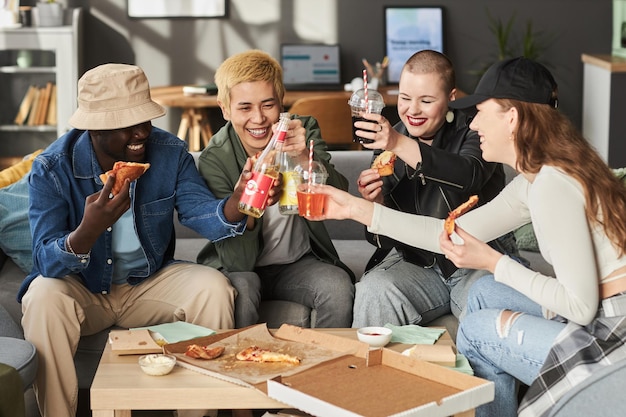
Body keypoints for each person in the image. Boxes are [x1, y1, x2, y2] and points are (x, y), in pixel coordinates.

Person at [304, 57, 626, 417]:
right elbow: (449, 233)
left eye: (480, 111)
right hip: (602, 311)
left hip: (613, 332)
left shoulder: (553, 184)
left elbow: (579, 307)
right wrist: (355, 209)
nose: (473, 123)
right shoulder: (535, 180)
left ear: (512, 118)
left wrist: (493, 261)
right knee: (486, 292)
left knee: (475, 329)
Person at [18, 63, 267, 417]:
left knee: (213, 286)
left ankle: (198, 412)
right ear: (95, 128)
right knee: (41, 296)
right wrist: (89, 230)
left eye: (145, 120)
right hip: (81, 287)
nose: (142, 133)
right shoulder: (52, 168)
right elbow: (46, 261)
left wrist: (238, 201)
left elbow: (201, 215)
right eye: (127, 125)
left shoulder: (170, 152)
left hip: (147, 282)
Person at [352, 49, 519, 328]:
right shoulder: (392, 138)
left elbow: (468, 176)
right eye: (405, 99)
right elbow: (383, 238)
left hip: (478, 261)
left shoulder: (477, 129)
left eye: (426, 100)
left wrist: (397, 143)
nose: (412, 110)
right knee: (374, 289)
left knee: (490, 305)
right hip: (419, 265)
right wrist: (377, 202)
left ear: (451, 98)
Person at [196, 50, 355, 329]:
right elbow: (237, 261)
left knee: (337, 287)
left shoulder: (302, 130)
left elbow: (341, 193)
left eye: (267, 105)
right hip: (241, 267)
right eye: (244, 108)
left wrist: (303, 158)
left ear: (281, 102)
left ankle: (324, 368)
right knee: (241, 290)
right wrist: (249, 205)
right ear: (225, 109)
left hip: (295, 264)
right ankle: (244, 367)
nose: (258, 119)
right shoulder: (215, 159)